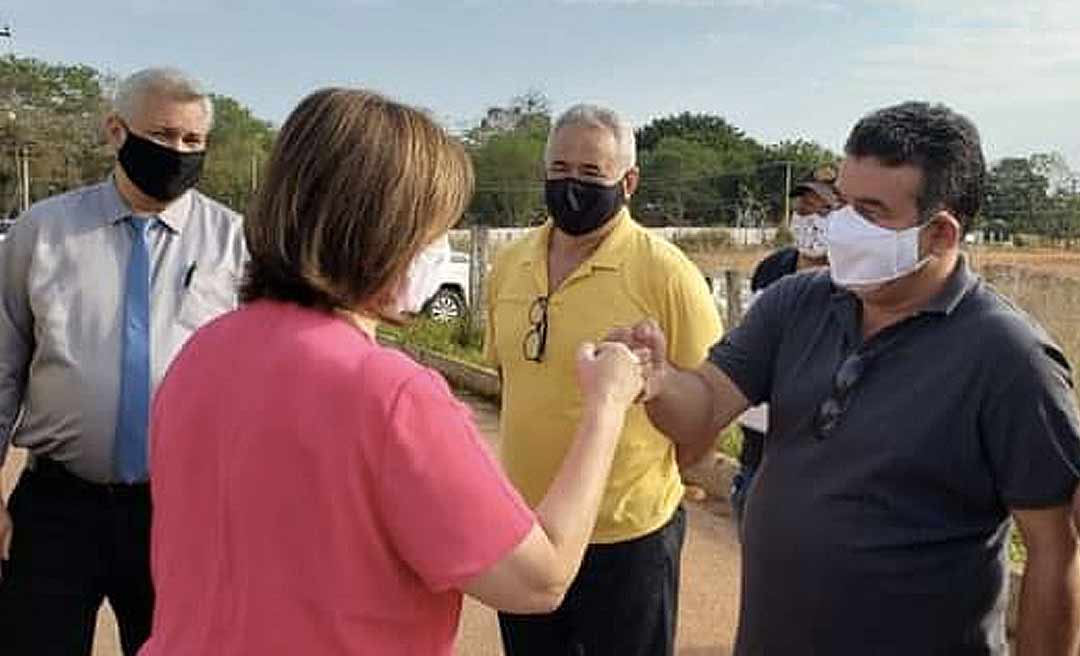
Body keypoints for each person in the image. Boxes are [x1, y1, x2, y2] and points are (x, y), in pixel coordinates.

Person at [141, 88, 646, 656]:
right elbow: (539, 579)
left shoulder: (202, 351)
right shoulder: (391, 396)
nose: (438, 248)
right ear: (384, 233)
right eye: (434, 228)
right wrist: (605, 406)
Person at [613, 101, 1080, 654]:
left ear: (940, 234)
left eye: (870, 211)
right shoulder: (795, 303)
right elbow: (706, 402)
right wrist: (660, 380)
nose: (842, 225)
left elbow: (1054, 549)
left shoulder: (1008, 358)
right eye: (843, 203)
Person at [0, 68, 246, 656]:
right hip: (57, 507)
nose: (178, 151)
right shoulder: (44, 232)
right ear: (117, 131)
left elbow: (258, 379)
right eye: (162, 135)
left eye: (193, 140)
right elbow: (2, 362)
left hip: (179, 509)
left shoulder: (233, 244)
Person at [486, 104, 723, 656]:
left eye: (591, 173)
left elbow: (710, 402)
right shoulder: (511, 263)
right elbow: (507, 375)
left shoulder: (666, 273)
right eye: (560, 168)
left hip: (628, 539)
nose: (572, 184)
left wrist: (664, 475)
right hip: (526, 530)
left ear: (628, 181)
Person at [731, 168, 839, 528]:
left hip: (817, 461)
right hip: (759, 451)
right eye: (804, 209)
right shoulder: (772, 269)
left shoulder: (853, 282)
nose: (811, 220)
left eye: (825, 211)